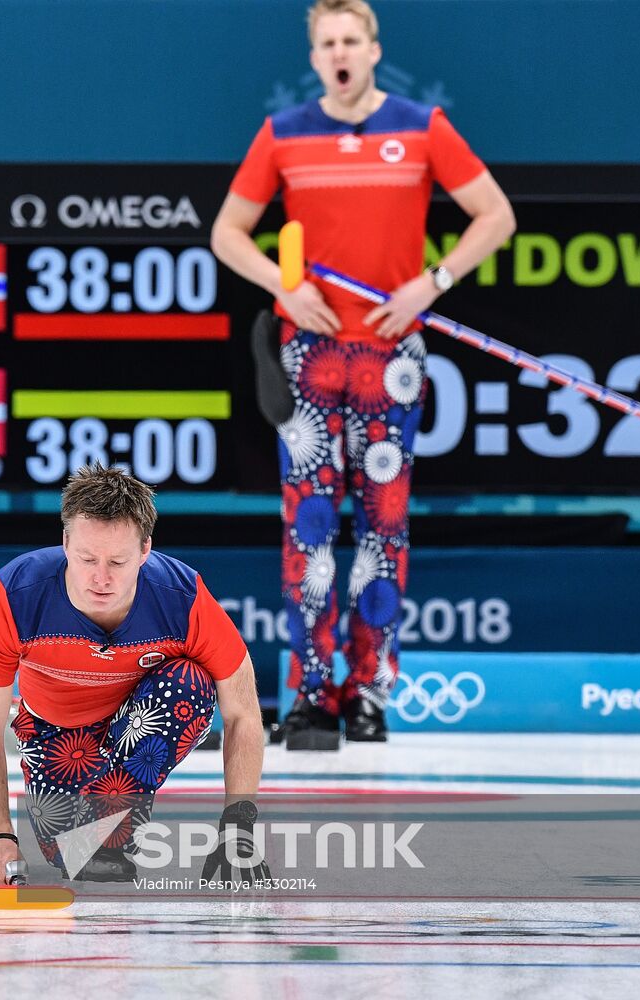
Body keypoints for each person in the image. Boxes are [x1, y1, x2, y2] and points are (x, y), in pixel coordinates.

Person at [210, 0, 516, 749]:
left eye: (351, 40)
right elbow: (226, 233)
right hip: (308, 353)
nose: (339, 53)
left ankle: (367, 693)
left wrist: (430, 282)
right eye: (326, 43)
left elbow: (494, 216)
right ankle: (311, 695)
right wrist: (282, 287)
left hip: (391, 355)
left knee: (383, 527)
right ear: (313, 58)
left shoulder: (420, 125)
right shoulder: (283, 133)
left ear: (373, 50)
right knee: (308, 529)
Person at [0, 466, 266, 887]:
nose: (100, 578)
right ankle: (93, 830)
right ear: (65, 543)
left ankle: (110, 831)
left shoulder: (184, 598)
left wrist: (239, 825)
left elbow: (243, 713)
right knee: (67, 854)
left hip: (143, 725)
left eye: (118, 561)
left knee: (191, 683)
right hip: (56, 735)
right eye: (86, 559)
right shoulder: (11, 596)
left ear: (145, 550)